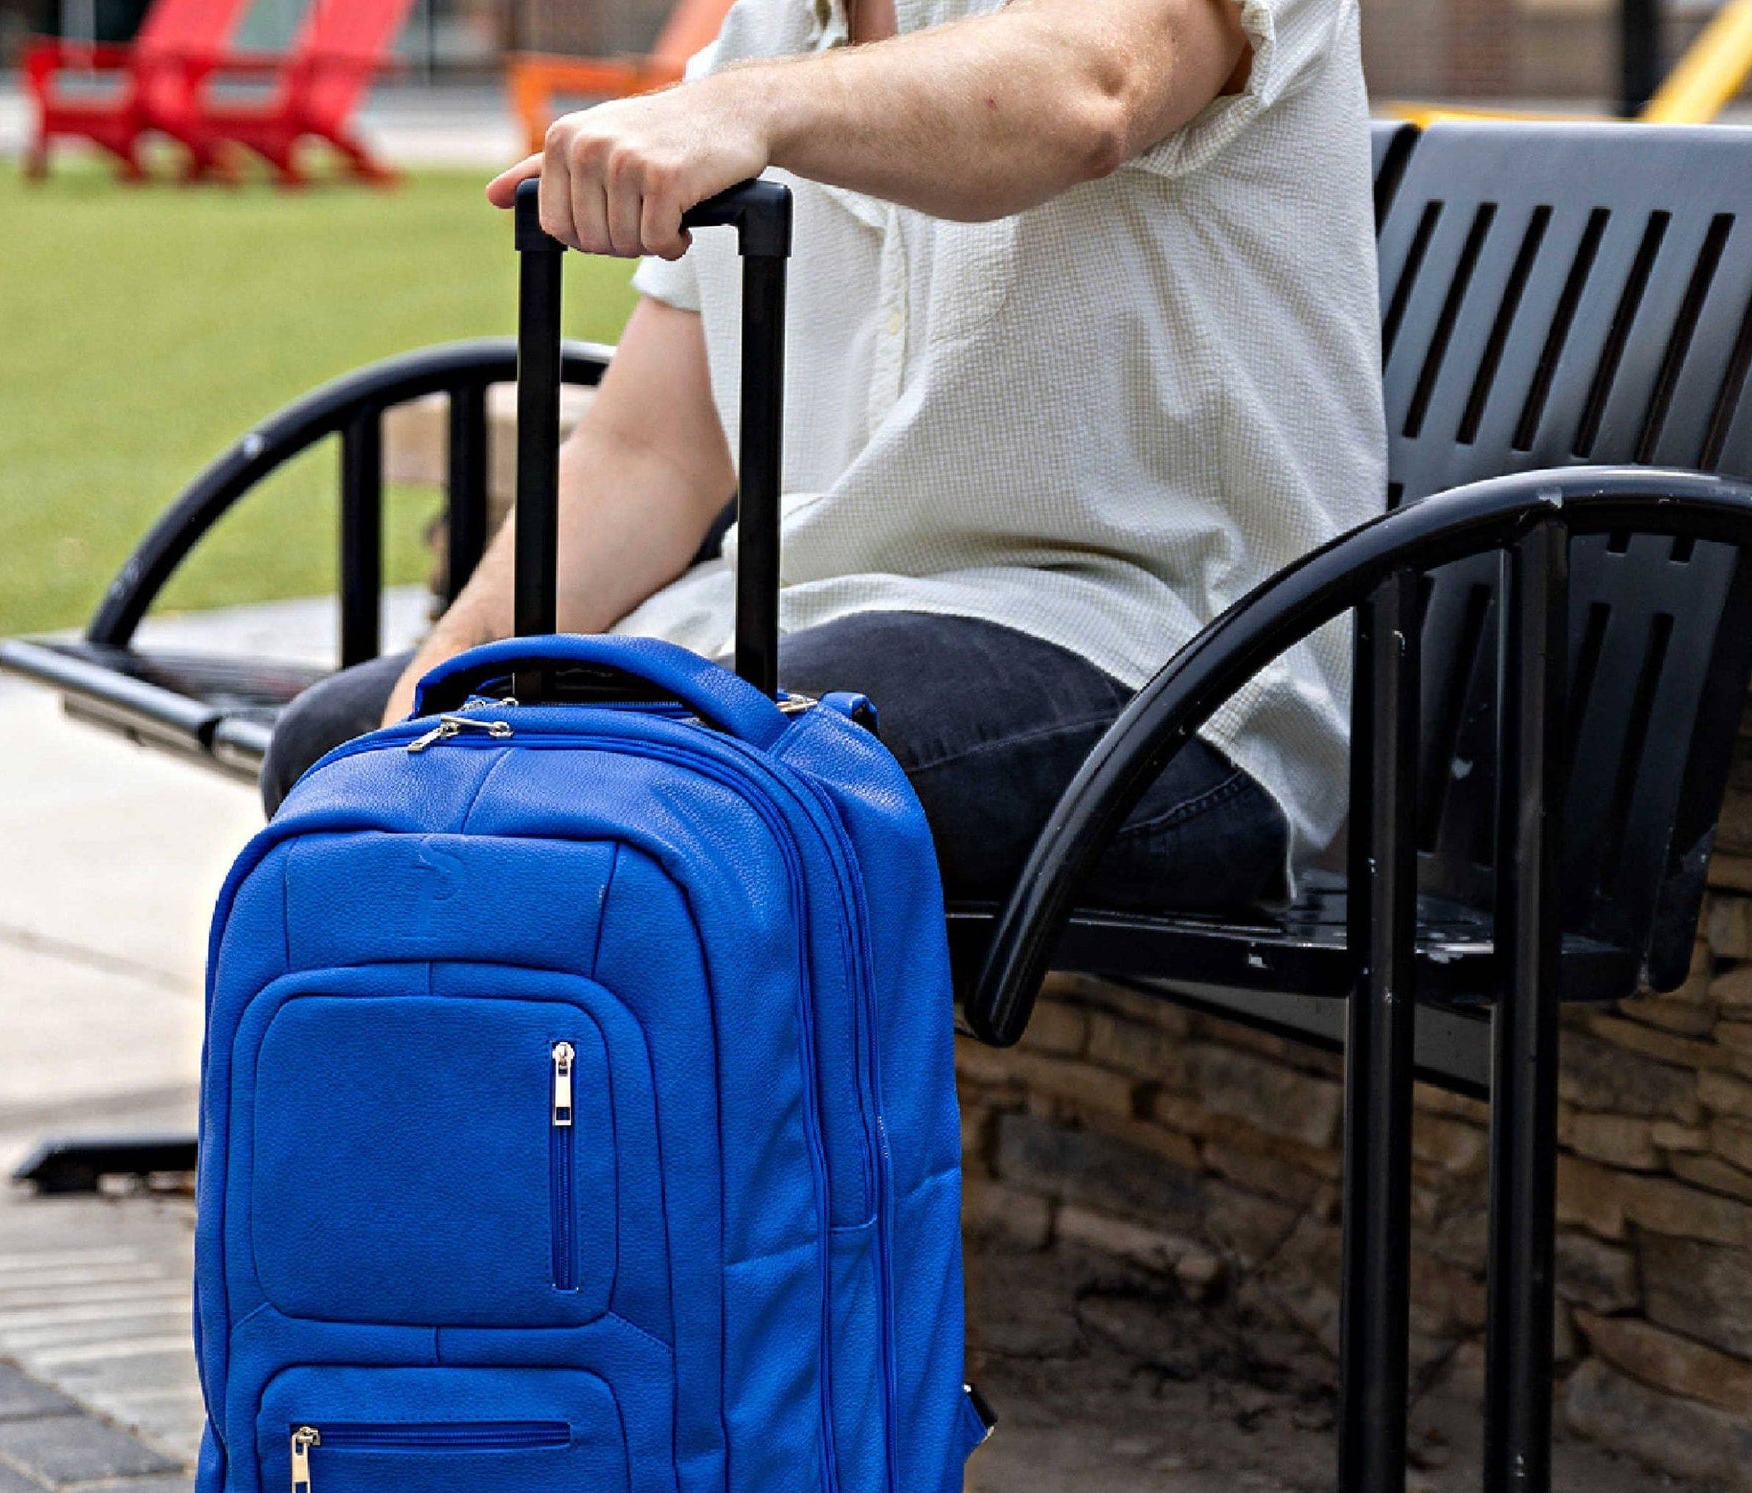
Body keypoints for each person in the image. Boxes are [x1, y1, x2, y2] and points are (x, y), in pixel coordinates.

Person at [261, 0, 1385, 915]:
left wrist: (748, 112)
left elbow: (1091, 91)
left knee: (639, 783)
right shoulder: (769, 34)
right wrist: (448, 665)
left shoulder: (756, 82)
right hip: (813, 637)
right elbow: (651, 452)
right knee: (341, 753)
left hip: (1166, 672)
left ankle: (650, 1136)